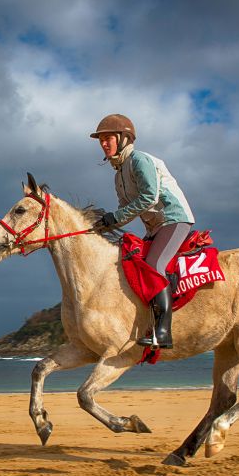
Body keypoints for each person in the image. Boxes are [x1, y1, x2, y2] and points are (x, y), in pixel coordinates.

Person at [90, 114, 195, 349]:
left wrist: (115, 217)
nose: (104, 143)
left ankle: (164, 332)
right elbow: (123, 211)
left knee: (154, 265)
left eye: (108, 138)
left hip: (174, 219)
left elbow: (149, 198)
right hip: (155, 227)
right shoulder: (118, 176)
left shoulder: (139, 160)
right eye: (101, 140)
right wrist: (100, 226)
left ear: (125, 138)